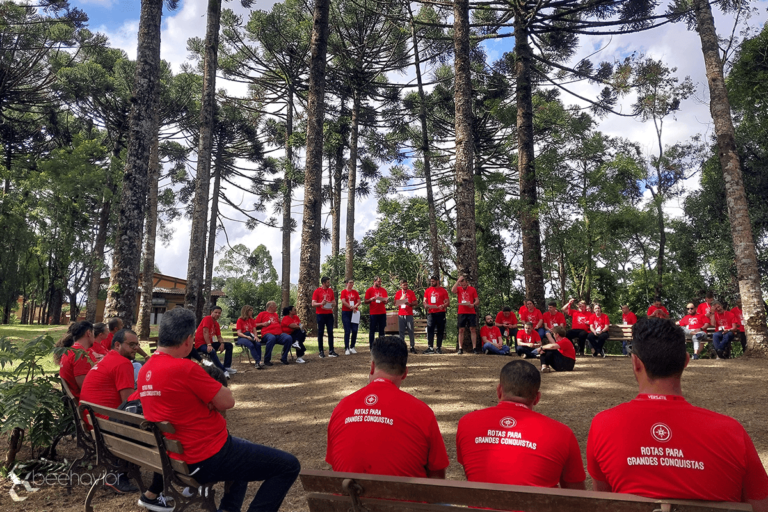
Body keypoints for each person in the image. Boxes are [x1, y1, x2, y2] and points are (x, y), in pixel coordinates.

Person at [586, 318, 768, 509]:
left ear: (635, 363)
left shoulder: (603, 424)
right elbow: (761, 505)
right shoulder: (732, 432)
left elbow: (603, 502)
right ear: (686, 361)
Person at [138, 307, 301, 512]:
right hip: (205, 457)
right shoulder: (185, 369)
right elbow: (227, 401)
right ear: (188, 340)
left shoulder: (145, 370)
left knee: (244, 451)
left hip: (175, 457)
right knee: (289, 466)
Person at [326, 335, 449, 478]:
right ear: (405, 373)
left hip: (350, 499)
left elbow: (335, 464)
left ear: (372, 367)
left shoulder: (342, 407)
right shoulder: (422, 412)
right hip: (404, 499)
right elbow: (438, 475)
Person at [456, 360, 585, 488]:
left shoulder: (467, 423)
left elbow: (472, 474)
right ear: (537, 398)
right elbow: (577, 496)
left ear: (499, 390)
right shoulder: (562, 433)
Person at [80, 329, 147, 497]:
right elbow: (129, 404)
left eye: (137, 345)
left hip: (93, 421)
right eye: (131, 345)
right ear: (117, 345)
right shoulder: (123, 364)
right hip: (107, 425)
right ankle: (118, 474)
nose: (135, 348)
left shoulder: (108, 358)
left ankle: (123, 469)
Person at [57, 321, 96, 401]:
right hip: (86, 406)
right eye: (94, 334)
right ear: (88, 333)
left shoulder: (69, 351)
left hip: (76, 403)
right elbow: (86, 387)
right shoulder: (80, 355)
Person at [194, 306, 235, 377]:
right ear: (211, 312)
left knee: (229, 345)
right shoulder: (207, 318)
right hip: (201, 345)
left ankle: (227, 367)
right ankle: (222, 370)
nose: (217, 314)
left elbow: (219, 336)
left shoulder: (216, 324)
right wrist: (209, 345)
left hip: (210, 343)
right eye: (215, 312)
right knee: (211, 351)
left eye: (219, 313)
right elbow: (205, 332)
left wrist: (222, 343)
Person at [255, 301, 292, 366]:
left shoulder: (276, 314)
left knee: (288, 338)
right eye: (275, 306)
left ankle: (284, 358)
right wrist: (262, 324)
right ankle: (267, 360)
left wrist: (280, 322)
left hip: (278, 334)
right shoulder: (262, 314)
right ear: (270, 307)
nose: (276, 307)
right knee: (272, 338)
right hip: (267, 335)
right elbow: (254, 324)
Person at [452, 275, 479, 354]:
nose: (463, 286)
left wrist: (473, 304)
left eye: (464, 284)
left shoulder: (472, 289)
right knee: (461, 330)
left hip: (471, 312)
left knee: (473, 329)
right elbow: (453, 290)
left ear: (467, 283)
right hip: (461, 312)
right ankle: (460, 348)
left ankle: (474, 348)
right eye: (462, 284)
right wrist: (458, 281)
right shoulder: (459, 289)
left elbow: (477, 300)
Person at [312, 276, 337, 358]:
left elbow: (334, 302)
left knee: (330, 332)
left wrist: (332, 304)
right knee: (320, 332)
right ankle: (321, 351)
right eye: (327, 282)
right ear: (323, 283)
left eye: (329, 282)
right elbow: (313, 304)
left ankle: (331, 351)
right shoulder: (317, 291)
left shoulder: (330, 291)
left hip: (329, 314)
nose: (329, 284)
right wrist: (321, 303)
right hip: (320, 314)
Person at [423, 275, 449, 354]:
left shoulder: (443, 290)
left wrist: (443, 305)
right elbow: (424, 301)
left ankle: (438, 347)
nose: (432, 283)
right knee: (430, 330)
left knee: (440, 330)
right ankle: (430, 347)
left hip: (440, 312)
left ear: (437, 281)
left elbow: (447, 302)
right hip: (431, 313)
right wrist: (425, 305)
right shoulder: (428, 290)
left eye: (433, 281)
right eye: (431, 281)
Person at [235, 305, 263, 369]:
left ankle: (258, 363)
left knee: (258, 344)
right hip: (242, 337)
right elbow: (239, 333)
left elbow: (254, 330)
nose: (252, 312)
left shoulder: (252, 320)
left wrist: (256, 336)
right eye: (250, 310)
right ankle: (258, 361)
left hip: (251, 336)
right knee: (251, 345)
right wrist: (246, 336)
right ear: (246, 311)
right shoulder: (240, 320)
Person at [365, 276, 389, 347]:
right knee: (372, 330)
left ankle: (381, 346)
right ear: (374, 281)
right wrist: (370, 300)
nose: (380, 283)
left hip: (382, 313)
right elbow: (365, 301)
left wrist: (386, 301)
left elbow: (386, 300)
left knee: (382, 331)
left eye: (380, 281)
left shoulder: (383, 290)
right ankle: (372, 346)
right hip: (373, 313)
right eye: (378, 281)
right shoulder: (369, 290)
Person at [396, 279, 418, 354]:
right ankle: (401, 347)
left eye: (406, 284)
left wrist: (410, 304)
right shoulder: (398, 293)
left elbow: (416, 302)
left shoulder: (411, 292)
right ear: (401, 285)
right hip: (401, 314)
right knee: (401, 331)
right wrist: (401, 298)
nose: (406, 286)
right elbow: (395, 303)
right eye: (404, 285)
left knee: (410, 330)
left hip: (409, 314)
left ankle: (412, 346)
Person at [340, 279, 361, 355]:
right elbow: (343, 301)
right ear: (346, 283)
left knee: (355, 330)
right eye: (350, 282)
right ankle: (347, 348)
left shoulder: (355, 292)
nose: (351, 284)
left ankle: (352, 347)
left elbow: (359, 301)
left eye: (352, 282)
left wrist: (354, 307)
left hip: (354, 312)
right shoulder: (343, 292)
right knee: (347, 330)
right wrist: (350, 307)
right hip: (346, 312)